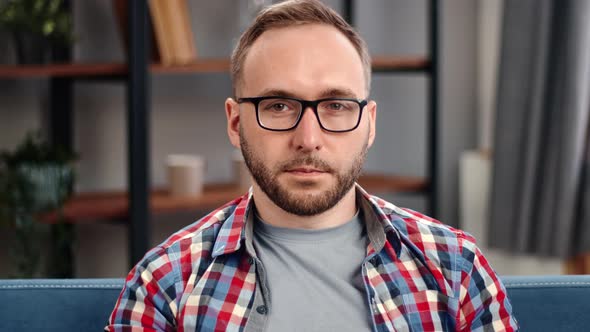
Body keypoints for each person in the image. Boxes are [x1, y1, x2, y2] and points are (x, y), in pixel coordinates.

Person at [106, 0, 518, 331]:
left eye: (336, 106)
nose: (308, 138)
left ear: (369, 124)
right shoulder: (166, 282)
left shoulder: (455, 267)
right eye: (279, 105)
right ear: (235, 123)